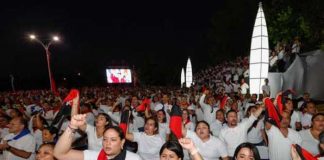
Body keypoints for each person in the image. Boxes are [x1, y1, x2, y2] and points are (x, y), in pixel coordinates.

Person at [53, 114, 141, 160]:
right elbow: (59, 154)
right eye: (105, 139)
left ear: (122, 142)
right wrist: (72, 126)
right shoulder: (94, 156)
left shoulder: (133, 158)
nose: (107, 143)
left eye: (113, 140)